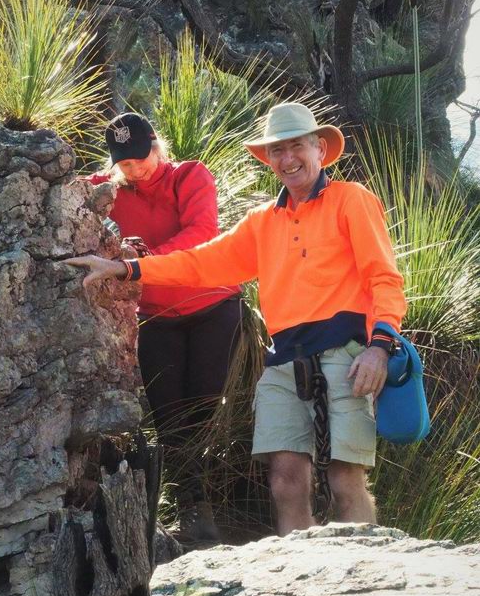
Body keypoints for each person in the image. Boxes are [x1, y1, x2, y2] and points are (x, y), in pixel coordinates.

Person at [68, 102, 407, 536]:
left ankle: (366, 577)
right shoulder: (262, 222)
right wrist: (126, 268)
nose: (287, 159)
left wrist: (380, 347)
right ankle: (303, 584)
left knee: (345, 477)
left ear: (319, 148)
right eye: (277, 151)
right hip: (284, 361)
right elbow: (201, 263)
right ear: (268, 160)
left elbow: (384, 278)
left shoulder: (352, 200)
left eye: (296, 147)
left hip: (348, 355)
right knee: (285, 480)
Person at [84, 112, 243, 543]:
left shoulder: (190, 176)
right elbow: (73, 192)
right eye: (124, 162)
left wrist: (139, 262)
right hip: (157, 318)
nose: (134, 168)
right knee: (169, 415)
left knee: (205, 406)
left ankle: (225, 500)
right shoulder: (109, 189)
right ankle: (193, 511)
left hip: (213, 306)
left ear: (156, 145)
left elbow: (202, 233)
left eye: (140, 157)